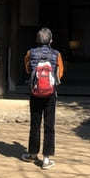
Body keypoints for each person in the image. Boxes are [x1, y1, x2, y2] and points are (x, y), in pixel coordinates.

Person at [21, 27, 64, 170]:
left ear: (37, 40)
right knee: (49, 125)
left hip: (35, 93)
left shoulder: (30, 53)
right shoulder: (56, 54)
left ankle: (32, 153)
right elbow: (60, 75)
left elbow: (27, 69)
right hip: (50, 94)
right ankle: (46, 159)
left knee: (35, 123)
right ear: (51, 40)